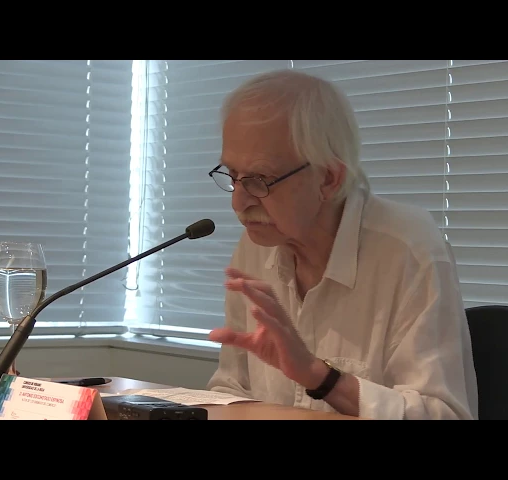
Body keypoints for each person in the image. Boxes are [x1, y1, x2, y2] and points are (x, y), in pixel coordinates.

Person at [205, 69, 478, 420]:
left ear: (328, 179)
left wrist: (320, 377)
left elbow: (443, 415)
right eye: (232, 175)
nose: (238, 202)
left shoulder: (408, 250)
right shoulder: (256, 245)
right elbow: (232, 390)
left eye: (260, 179)